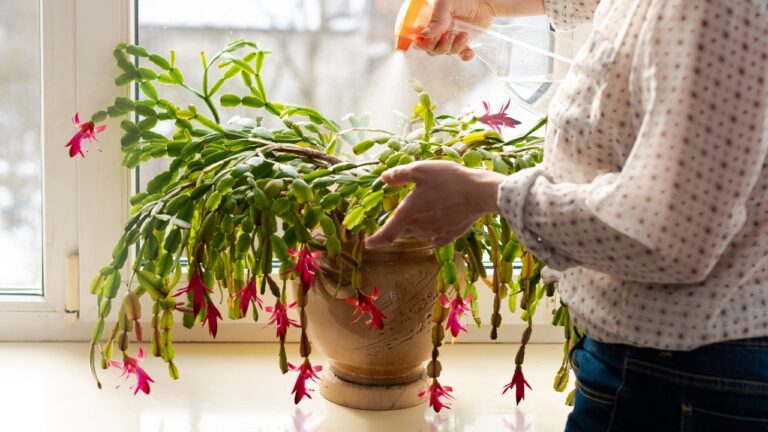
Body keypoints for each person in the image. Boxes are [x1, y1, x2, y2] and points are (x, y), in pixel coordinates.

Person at [365, 0, 768, 430]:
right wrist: (483, 4)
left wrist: (486, 192)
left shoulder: (712, 8)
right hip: (661, 366)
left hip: (686, 382)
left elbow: (669, 237)